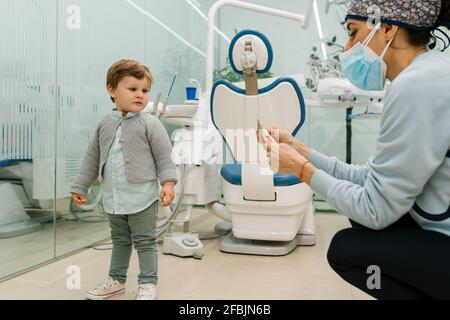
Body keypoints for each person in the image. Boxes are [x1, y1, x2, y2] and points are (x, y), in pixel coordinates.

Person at [264, 0, 450, 299]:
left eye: (353, 33)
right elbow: (373, 179)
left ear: (387, 29)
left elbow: (375, 209)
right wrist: (304, 152)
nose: (348, 47)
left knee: (346, 250)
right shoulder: (433, 71)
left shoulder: (416, 87)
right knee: (356, 216)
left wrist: (301, 170)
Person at [70, 59, 177, 300]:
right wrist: (80, 185)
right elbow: (91, 158)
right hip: (114, 197)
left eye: (145, 90)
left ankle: (148, 283)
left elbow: (164, 157)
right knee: (119, 240)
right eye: (133, 89)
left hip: (142, 198)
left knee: (145, 241)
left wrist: (168, 183)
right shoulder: (104, 124)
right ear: (112, 90)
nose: (140, 95)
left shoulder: (151, 123)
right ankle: (116, 280)